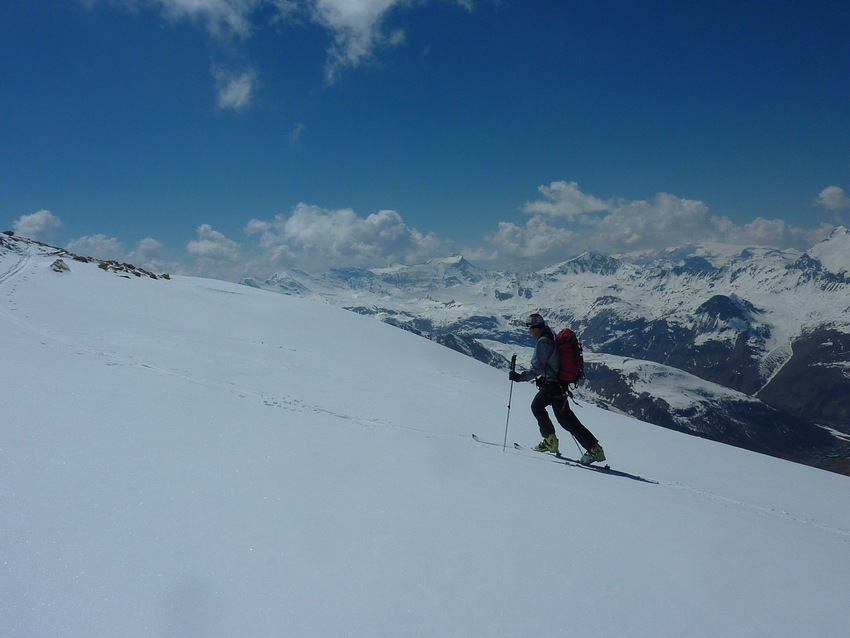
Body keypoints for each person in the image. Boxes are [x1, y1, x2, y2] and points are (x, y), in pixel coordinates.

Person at [509, 313, 606, 465]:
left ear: (535, 328)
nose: (529, 332)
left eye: (530, 328)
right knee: (554, 413)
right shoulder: (551, 336)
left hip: (554, 386)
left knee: (560, 417)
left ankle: (593, 450)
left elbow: (537, 368)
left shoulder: (543, 342)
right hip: (557, 384)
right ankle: (553, 441)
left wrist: (519, 377)